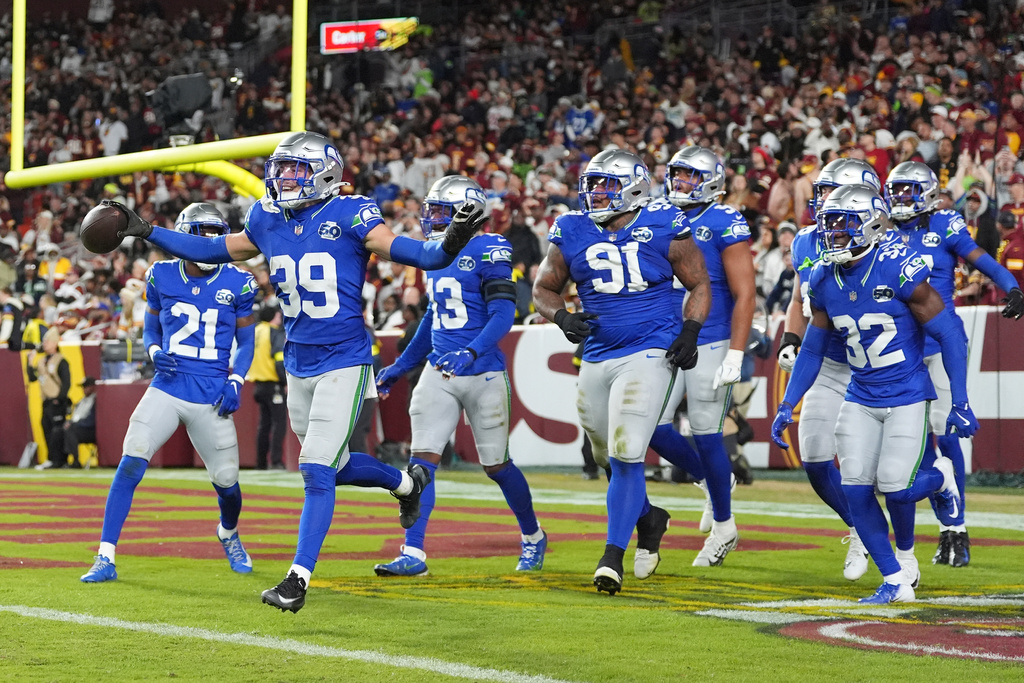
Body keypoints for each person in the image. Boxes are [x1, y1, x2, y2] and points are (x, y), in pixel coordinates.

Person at [108, 131, 484, 613]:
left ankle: (297, 579)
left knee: (314, 469)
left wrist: (452, 238)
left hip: (345, 359)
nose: (283, 178)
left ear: (325, 172)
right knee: (337, 465)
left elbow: (426, 256)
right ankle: (407, 484)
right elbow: (212, 250)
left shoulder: (352, 213)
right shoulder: (266, 217)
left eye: (295, 170)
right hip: (299, 363)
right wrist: (147, 231)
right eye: (280, 168)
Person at [771, 184, 976, 604]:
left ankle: (941, 481)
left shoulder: (895, 265)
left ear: (870, 222)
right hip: (861, 394)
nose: (833, 232)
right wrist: (789, 402)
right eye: (829, 222)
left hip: (906, 393)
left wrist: (960, 399)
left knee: (896, 487)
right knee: (856, 487)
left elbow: (950, 333)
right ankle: (895, 579)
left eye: (843, 222)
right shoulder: (823, 275)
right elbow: (811, 347)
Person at [532, 150, 711, 595]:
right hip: (597, 353)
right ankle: (650, 519)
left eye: (606, 185)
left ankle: (612, 556)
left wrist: (690, 329)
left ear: (632, 186)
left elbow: (699, 283)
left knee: (628, 448)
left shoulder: (665, 222)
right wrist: (561, 317)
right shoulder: (571, 228)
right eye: (592, 184)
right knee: (604, 455)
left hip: (650, 350)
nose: (595, 193)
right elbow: (543, 288)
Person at [373, 176, 546, 577]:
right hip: (439, 369)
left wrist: (471, 351)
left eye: (441, 212)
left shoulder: (490, 248)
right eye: (430, 210)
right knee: (421, 466)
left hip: (482, 370)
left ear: (469, 214)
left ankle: (533, 536)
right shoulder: (436, 254)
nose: (432, 219)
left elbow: (505, 313)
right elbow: (434, 319)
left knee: (497, 466)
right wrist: (401, 367)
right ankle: (413, 553)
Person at [80, 203, 258, 583]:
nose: (209, 241)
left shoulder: (239, 282)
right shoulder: (161, 275)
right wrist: (155, 352)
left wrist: (237, 379)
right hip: (168, 386)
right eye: (201, 233)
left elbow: (246, 341)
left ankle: (228, 532)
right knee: (132, 459)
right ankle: (105, 556)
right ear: (183, 235)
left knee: (227, 484)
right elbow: (151, 329)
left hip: (212, 392)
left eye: (215, 233)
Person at [885, 161, 1024, 567]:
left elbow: (983, 261)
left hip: (942, 345)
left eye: (910, 190)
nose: (901, 199)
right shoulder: (882, 230)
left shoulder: (944, 225)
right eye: (897, 191)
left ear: (927, 192)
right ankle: (945, 514)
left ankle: (956, 527)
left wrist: (1012, 286)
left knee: (947, 435)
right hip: (902, 351)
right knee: (914, 445)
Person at [777, 158, 882, 581]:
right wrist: (790, 339)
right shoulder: (806, 242)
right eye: (820, 191)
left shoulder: (888, 246)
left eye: (829, 191)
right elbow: (803, 300)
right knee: (816, 460)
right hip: (833, 364)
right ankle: (859, 527)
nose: (819, 201)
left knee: (896, 477)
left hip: (881, 368)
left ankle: (939, 491)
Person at [654, 145, 756, 568]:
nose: (681, 182)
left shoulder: (723, 220)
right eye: (677, 173)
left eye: (690, 175)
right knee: (652, 428)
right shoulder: (658, 215)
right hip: (663, 337)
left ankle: (724, 526)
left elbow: (744, 292)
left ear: (711, 181)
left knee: (705, 430)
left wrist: (735, 351)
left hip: (710, 338)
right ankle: (714, 481)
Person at [247, 304, 287, 470]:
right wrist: (285, 381)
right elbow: (279, 359)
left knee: (264, 425)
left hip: (258, 384)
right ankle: (276, 461)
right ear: (273, 317)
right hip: (273, 384)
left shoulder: (255, 331)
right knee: (279, 423)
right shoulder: (273, 332)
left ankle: (261, 462)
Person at [28, 327, 71, 469]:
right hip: (46, 401)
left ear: (54, 343)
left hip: (57, 401)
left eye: (47, 341)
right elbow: (33, 378)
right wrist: (29, 363)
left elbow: (66, 383)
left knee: (57, 432)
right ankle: (51, 459)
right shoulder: (41, 361)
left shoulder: (61, 361)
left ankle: (59, 460)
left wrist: (59, 398)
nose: (44, 343)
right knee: (46, 428)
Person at [62, 376, 98, 468]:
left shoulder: (96, 401)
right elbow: (75, 416)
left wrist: (74, 424)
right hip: (77, 426)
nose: (83, 389)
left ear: (92, 387)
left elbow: (91, 420)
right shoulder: (81, 401)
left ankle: (75, 461)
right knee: (58, 431)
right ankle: (60, 460)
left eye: (85, 386)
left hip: (88, 430)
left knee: (71, 430)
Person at [0, 285, 26, 350]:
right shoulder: (17, 307)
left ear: (7, 294)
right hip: (17, 340)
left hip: (10, 343)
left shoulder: (8, 307)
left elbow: (7, 323)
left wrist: (2, 340)